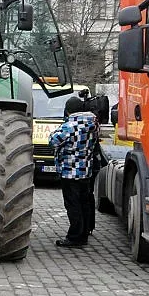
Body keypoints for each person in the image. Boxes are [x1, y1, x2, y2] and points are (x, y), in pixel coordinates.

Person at [48, 95, 100, 248]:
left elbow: (53, 141)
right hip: (86, 170)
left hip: (69, 171)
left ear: (68, 110)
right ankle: (84, 233)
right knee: (84, 202)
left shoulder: (70, 126)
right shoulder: (93, 123)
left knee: (72, 204)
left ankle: (75, 237)